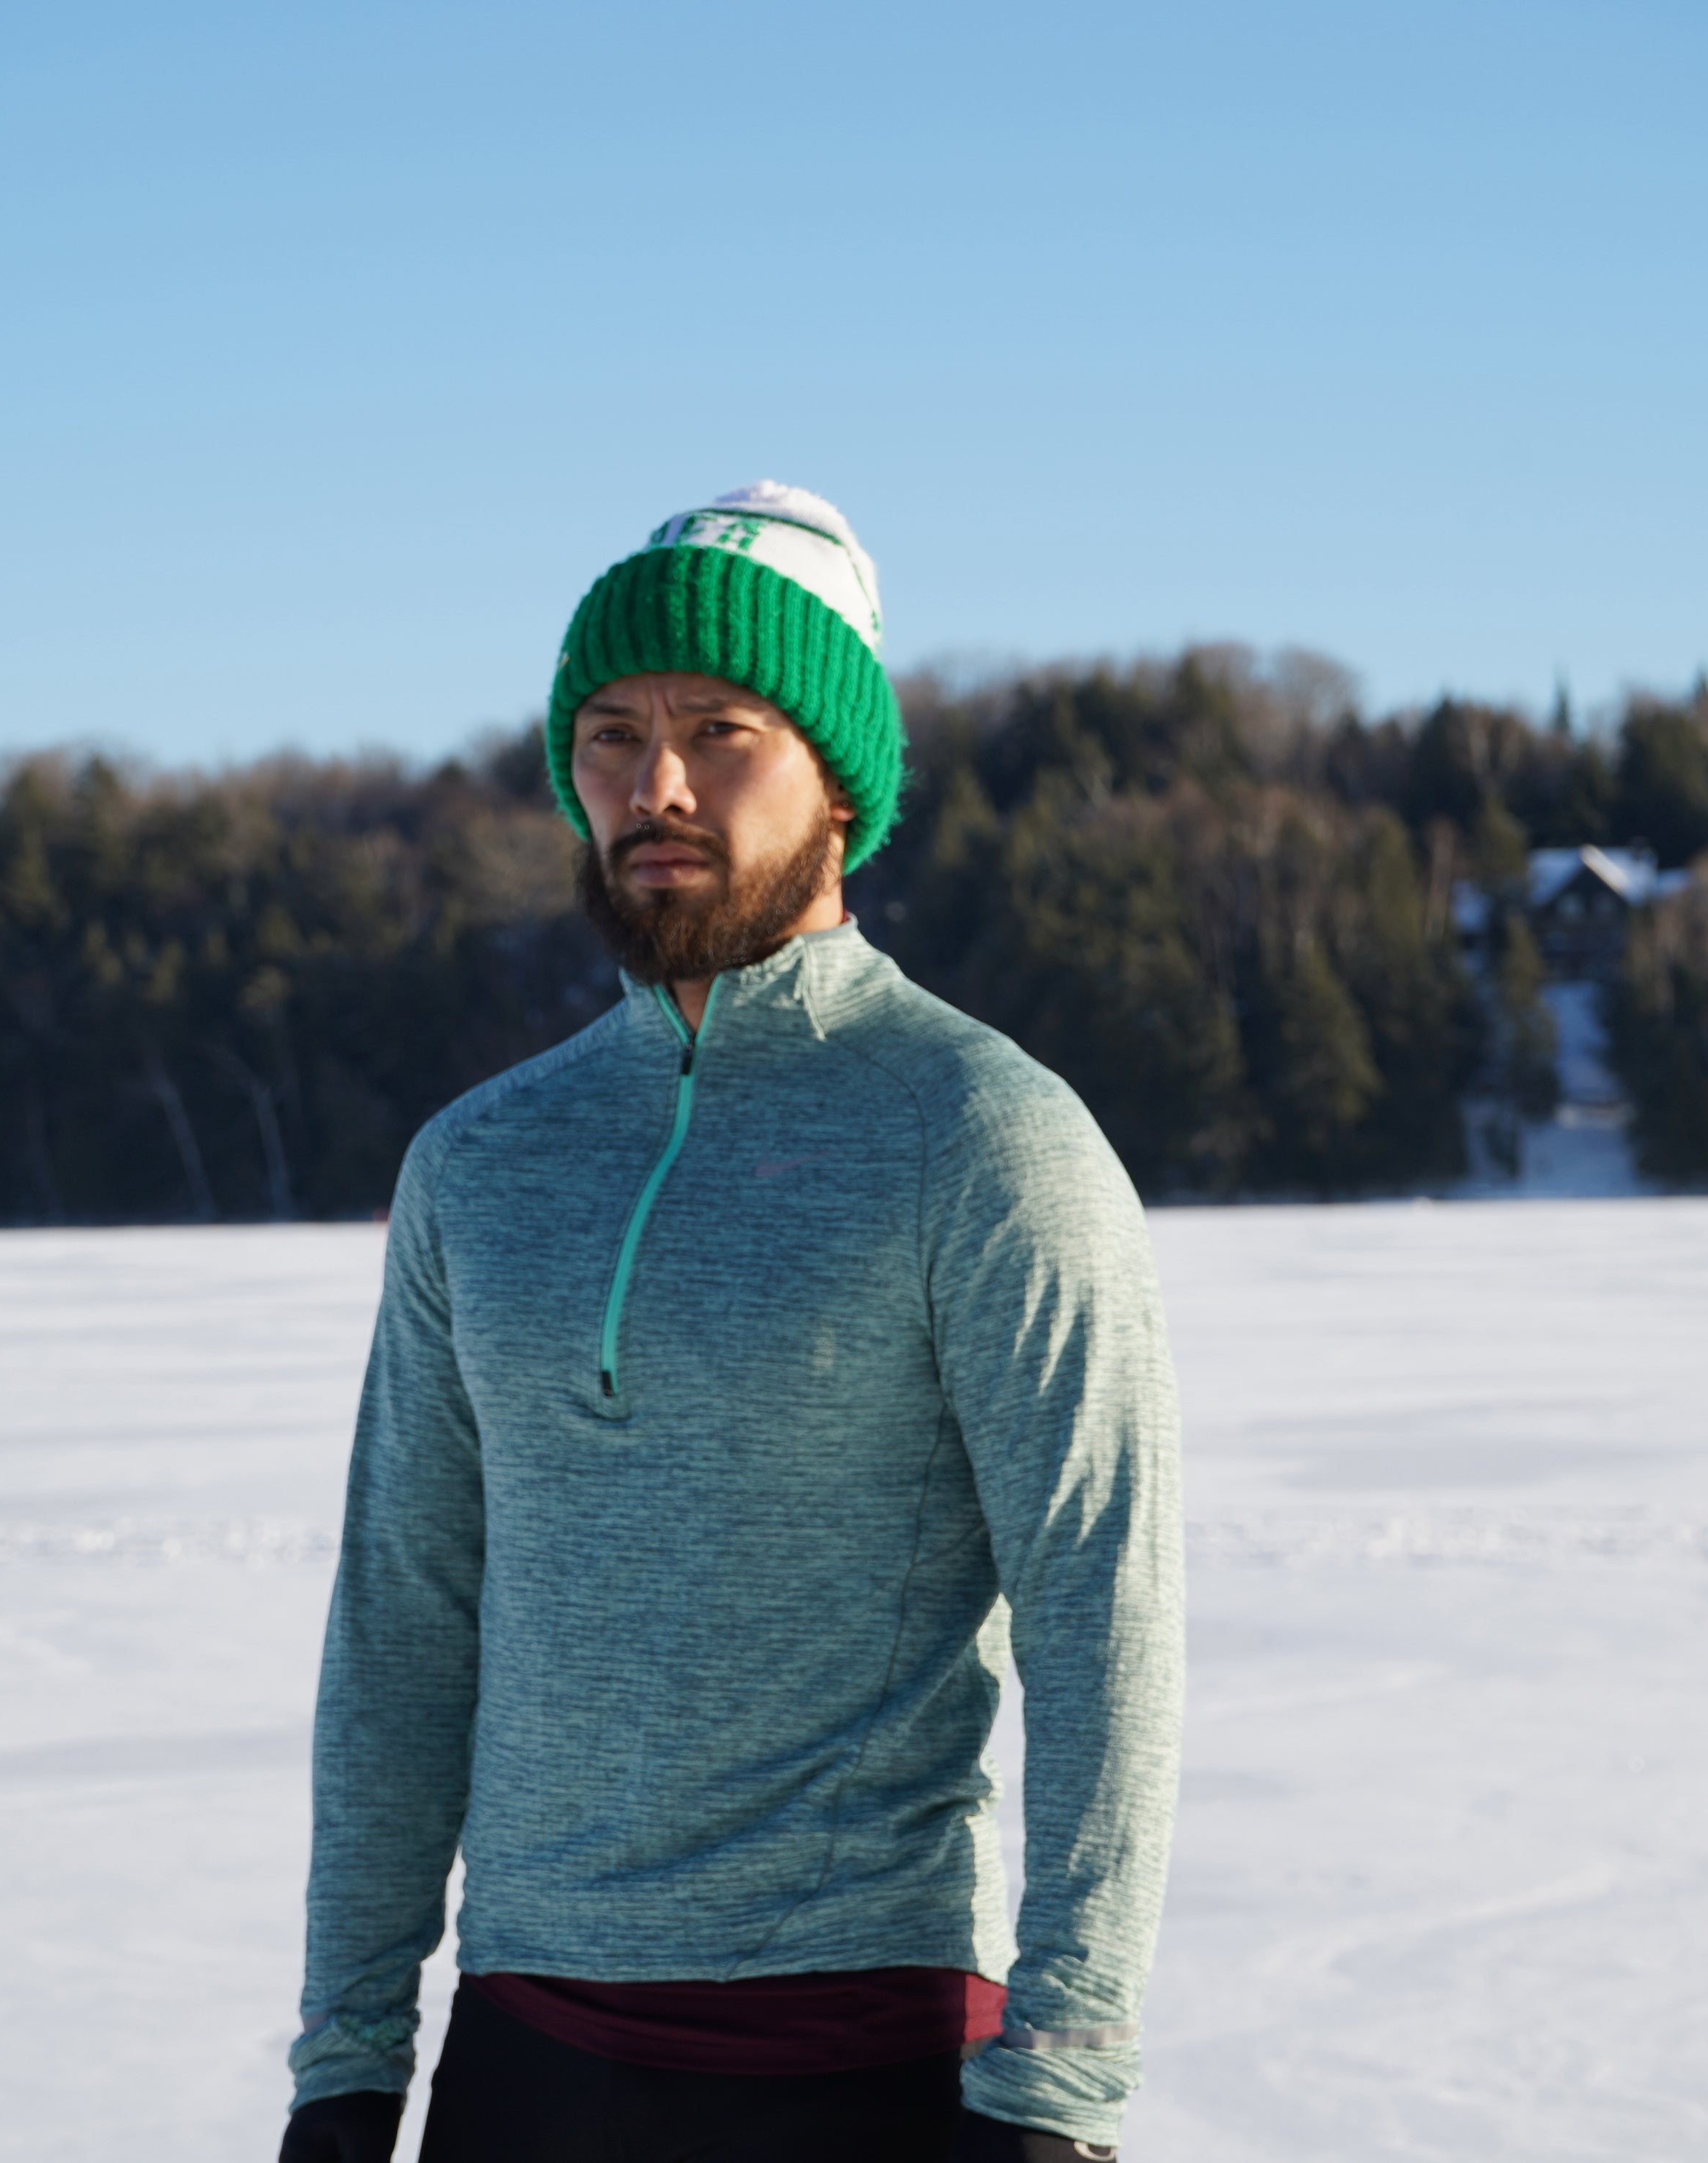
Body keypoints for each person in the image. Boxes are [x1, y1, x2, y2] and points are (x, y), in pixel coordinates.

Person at [282, 483, 1181, 2163]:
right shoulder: (480, 1163)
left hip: (861, 2053)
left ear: (838, 776)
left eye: (723, 730)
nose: (656, 784)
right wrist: (347, 2053)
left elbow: (1103, 1612)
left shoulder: (979, 1131)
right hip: (525, 2057)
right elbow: (405, 1622)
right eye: (611, 734)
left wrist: (1061, 2077)